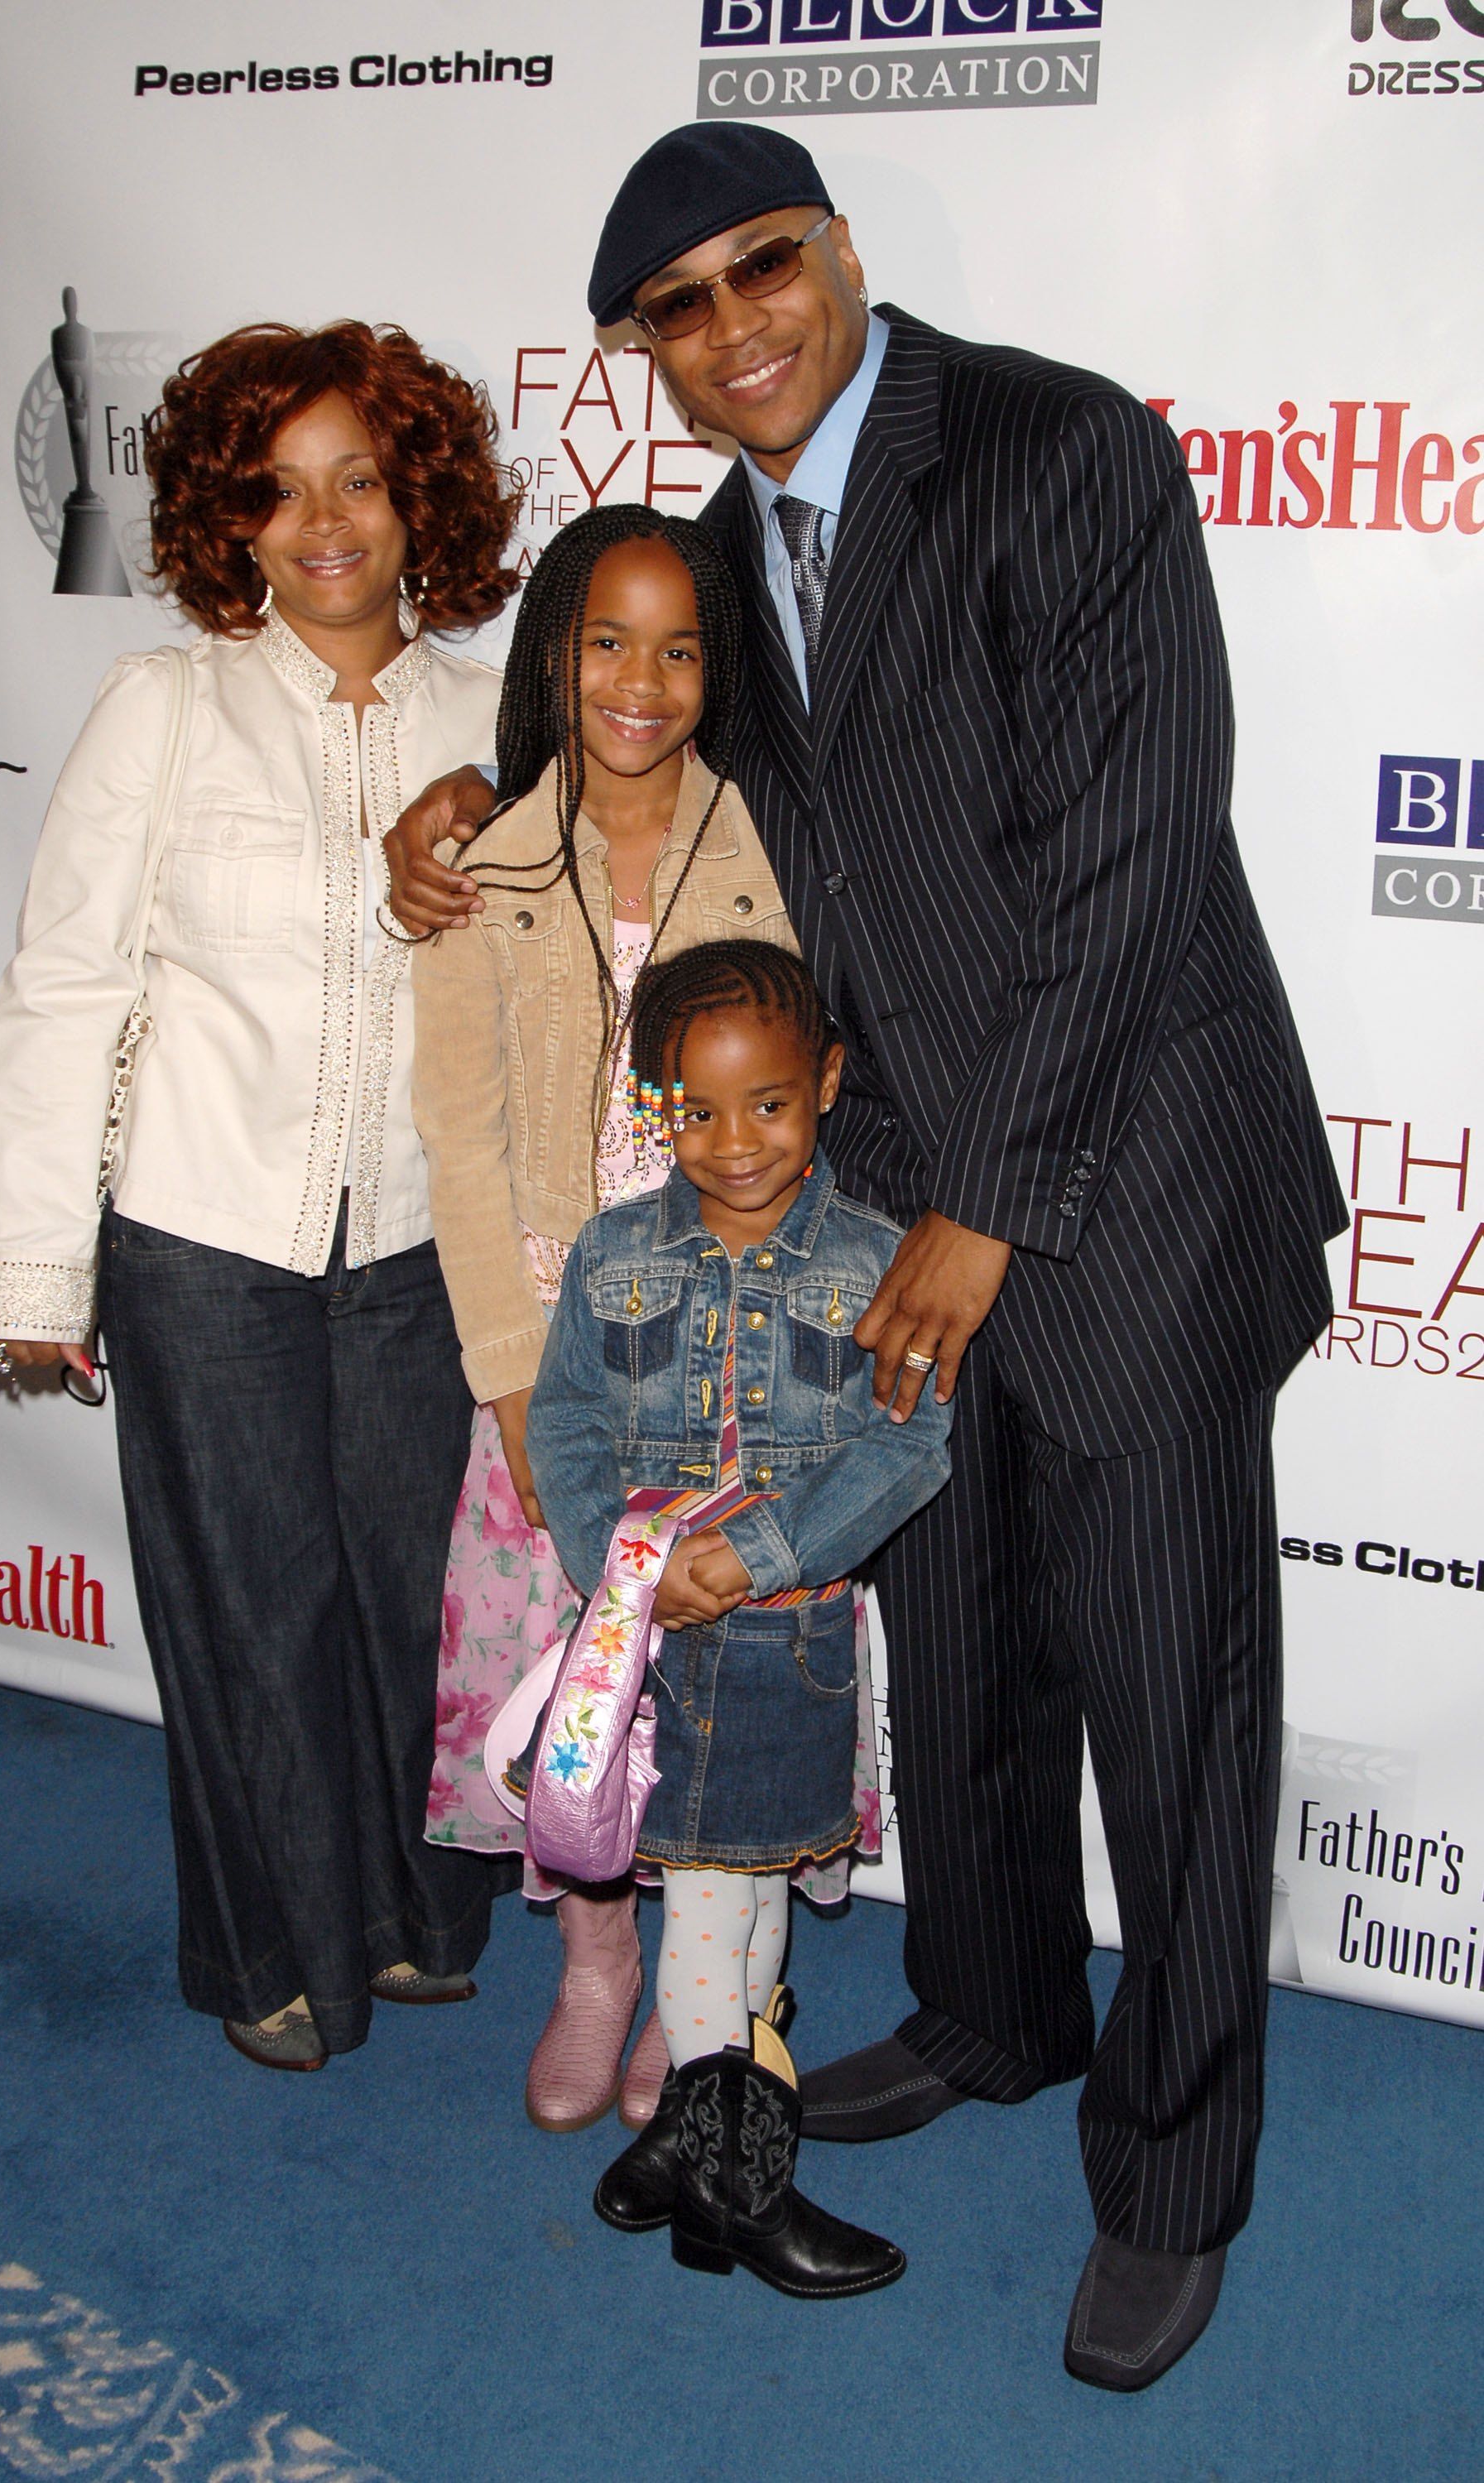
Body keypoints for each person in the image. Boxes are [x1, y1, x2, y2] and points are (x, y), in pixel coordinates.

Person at [391, 126, 1346, 2386]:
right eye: (681, 307)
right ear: (644, 351)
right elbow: (626, 768)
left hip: (1120, 1195)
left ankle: (1175, 2171)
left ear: (839, 248)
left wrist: (989, 1213)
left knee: (1169, 1703)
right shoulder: (717, 557)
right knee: (969, 1645)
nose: (739, 325)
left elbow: (1135, 841)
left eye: (765, 265)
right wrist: (454, 809)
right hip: (894, 1234)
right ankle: (1000, 2010)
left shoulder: (1056, 443)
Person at [0, 319, 520, 2071]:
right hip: (202, 1243)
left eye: (357, 477)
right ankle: (277, 1955)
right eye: (275, 493)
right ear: (226, 522)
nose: (325, 523)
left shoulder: (494, 710)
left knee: (413, 1601)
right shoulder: (165, 703)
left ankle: (428, 1914)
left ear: (417, 494)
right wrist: (35, 1276)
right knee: (247, 1607)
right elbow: (66, 989)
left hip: (422, 1244)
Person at [411, 504, 881, 2138]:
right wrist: (508, 1375)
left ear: (714, 668)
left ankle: (715, 1977)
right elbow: (456, 1138)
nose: (639, 681)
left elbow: (805, 1094)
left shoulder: (766, 845)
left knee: (714, 1659)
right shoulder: (480, 859)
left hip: (731, 1337)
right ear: (555, 653)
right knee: (571, 1673)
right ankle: (597, 1965)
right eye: (605, 642)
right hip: (553, 1357)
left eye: (676, 647)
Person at [526, 940, 951, 2298]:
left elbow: (909, 1442)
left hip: (798, 1642)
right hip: (657, 1647)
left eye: (768, 1103)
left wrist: (757, 1555)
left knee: (754, 1886)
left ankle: (688, 2150)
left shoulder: (883, 1260)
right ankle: (735, 2185)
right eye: (695, 1112)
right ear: (655, 1103)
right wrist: (630, 1565)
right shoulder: (613, 1251)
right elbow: (569, 1424)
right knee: (706, 1906)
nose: (734, 1143)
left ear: (825, 1083)